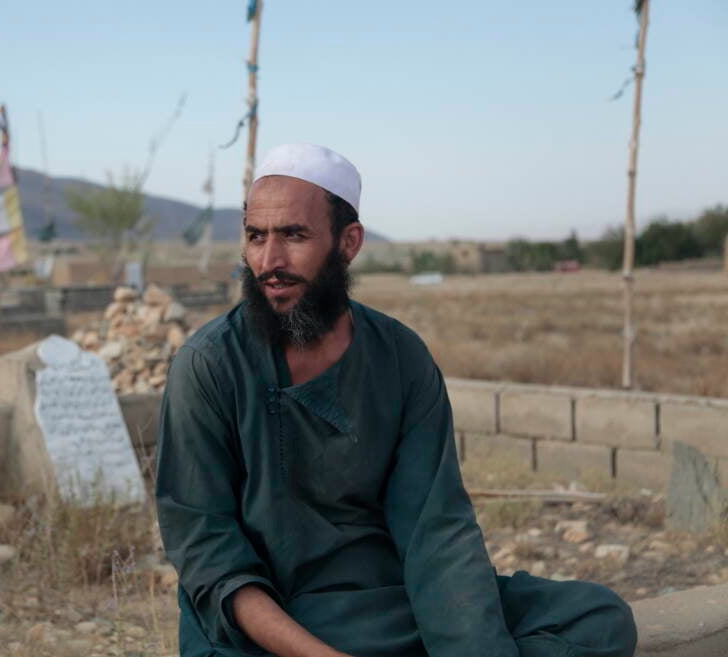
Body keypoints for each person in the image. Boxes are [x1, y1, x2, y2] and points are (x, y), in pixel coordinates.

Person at [154, 143, 637, 657]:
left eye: (294, 235)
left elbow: (437, 533)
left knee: (600, 619)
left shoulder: (400, 357)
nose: (270, 261)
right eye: (256, 237)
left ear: (348, 242)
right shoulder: (208, 365)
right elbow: (210, 555)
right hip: (273, 623)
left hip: (389, 602)